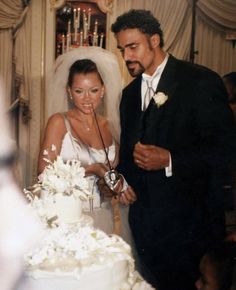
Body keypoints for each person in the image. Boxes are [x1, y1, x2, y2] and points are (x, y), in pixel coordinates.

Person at [111, 9, 236, 290]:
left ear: (154, 40)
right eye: (122, 49)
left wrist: (170, 159)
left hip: (191, 230)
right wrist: (117, 179)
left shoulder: (200, 81)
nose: (127, 56)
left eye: (133, 47)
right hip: (145, 230)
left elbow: (225, 152)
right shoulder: (129, 96)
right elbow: (131, 159)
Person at [38, 47, 136, 247]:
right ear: (69, 92)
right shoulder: (58, 122)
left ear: (103, 89)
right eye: (79, 91)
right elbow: (43, 172)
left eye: (93, 90)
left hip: (105, 214)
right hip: (67, 217)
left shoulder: (111, 126)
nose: (87, 98)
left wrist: (114, 184)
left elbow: (114, 171)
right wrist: (93, 169)